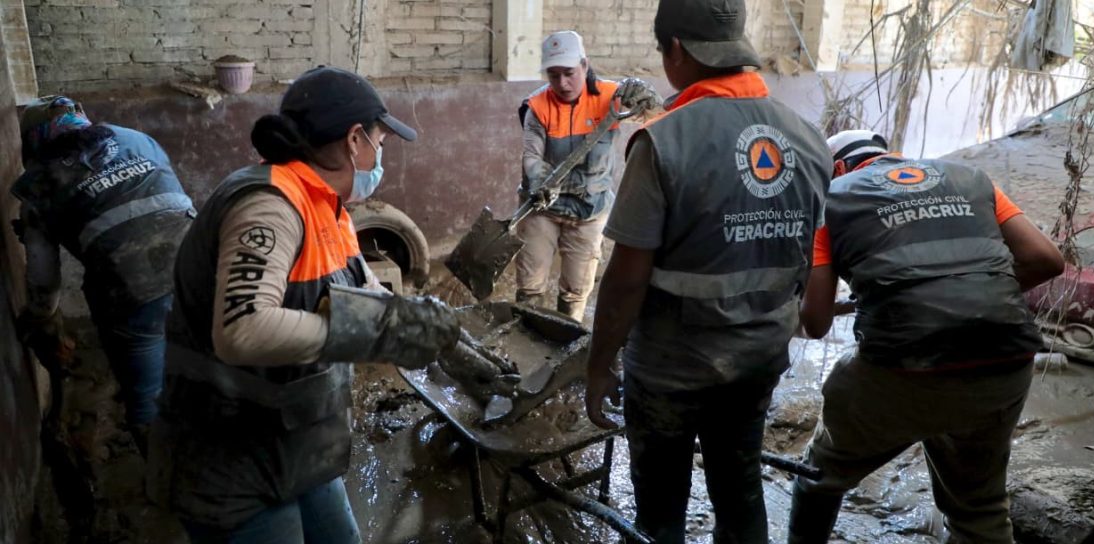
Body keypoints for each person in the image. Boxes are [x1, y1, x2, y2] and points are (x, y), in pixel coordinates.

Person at [146, 66, 460, 543]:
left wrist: (449, 340)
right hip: (233, 458)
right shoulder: (268, 205)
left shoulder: (327, 208)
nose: (381, 154)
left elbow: (370, 294)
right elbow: (242, 329)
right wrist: (372, 334)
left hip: (298, 444)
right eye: (380, 140)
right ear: (355, 140)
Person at [582, 0, 832, 541]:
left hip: (671, 369)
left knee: (661, 505)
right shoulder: (809, 138)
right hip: (759, 358)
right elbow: (808, 256)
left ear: (676, 50)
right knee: (739, 484)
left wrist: (599, 364)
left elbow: (626, 279)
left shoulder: (665, 140)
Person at [788, 130, 1065, 543]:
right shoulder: (970, 177)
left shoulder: (830, 199)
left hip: (902, 367)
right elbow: (1047, 260)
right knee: (980, 508)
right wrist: (980, 294)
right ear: (893, 156)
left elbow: (816, 322)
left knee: (818, 476)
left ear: (839, 168)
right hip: (1006, 356)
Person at [11, 95, 196, 455]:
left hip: (131, 293)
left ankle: (168, 482)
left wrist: (37, 319)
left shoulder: (37, 185)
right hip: (201, 267)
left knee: (147, 400)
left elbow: (44, 283)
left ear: (32, 142)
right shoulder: (136, 139)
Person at [516, 30, 658, 322]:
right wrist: (539, 178)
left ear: (584, 65)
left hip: (589, 211)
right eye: (553, 75)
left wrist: (646, 96)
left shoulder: (612, 97)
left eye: (569, 73)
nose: (562, 83)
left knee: (576, 289)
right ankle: (525, 336)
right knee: (530, 286)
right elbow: (531, 154)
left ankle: (566, 343)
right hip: (542, 207)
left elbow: (653, 114)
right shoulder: (537, 107)